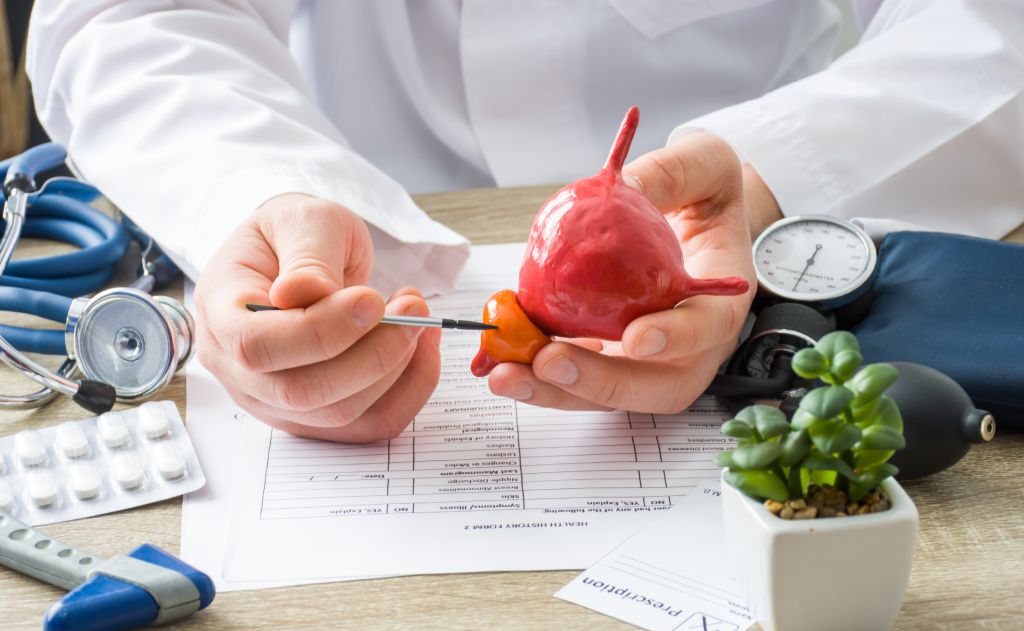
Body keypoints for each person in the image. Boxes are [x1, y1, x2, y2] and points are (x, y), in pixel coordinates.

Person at [26, 1, 1024, 442]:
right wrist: (257, 193)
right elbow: (128, 14)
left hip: (780, 244)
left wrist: (768, 176)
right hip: (359, 216)